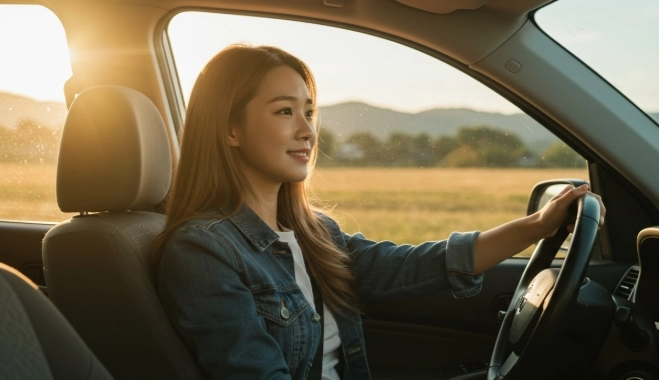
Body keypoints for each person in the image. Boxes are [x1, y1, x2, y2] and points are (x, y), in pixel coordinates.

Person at [153, 44, 605, 380]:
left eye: (310, 112)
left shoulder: (314, 233)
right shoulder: (203, 252)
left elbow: (408, 267)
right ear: (230, 129)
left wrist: (536, 226)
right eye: (284, 111)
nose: (307, 130)